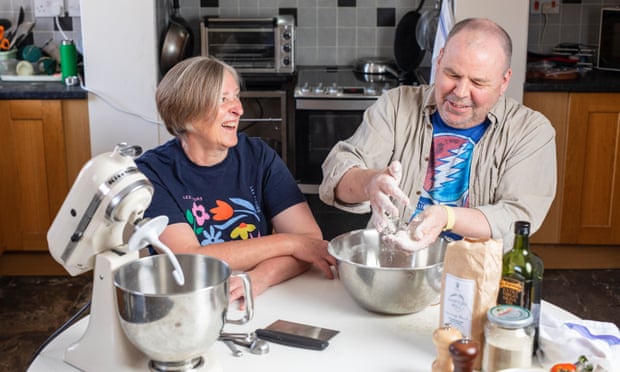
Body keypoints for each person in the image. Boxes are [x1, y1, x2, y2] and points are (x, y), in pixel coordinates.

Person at [319, 18, 556, 252]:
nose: (460, 92)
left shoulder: (530, 131)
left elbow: (517, 215)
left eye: (478, 82)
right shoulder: (396, 105)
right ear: (440, 60)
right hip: (392, 266)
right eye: (452, 75)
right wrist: (370, 182)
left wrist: (447, 217)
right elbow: (337, 174)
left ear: (504, 81)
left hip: (477, 277)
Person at [136, 56, 335, 305]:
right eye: (223, 100)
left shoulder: (258, 156)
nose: (239, 109)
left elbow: (311, 243)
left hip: (258, 296)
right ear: (186, 113)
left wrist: (258, 278)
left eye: (236, 96)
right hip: (187, 302)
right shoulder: (153, 173)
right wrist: (290, 243)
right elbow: (190, 259)